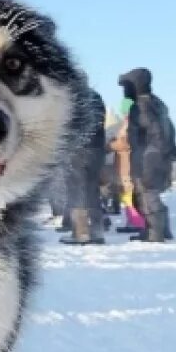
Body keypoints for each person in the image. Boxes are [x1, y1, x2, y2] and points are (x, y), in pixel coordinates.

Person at [118, 67, 174, 243]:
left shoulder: (141, 106)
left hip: (148, 157)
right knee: (149, 193)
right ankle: (161, 229)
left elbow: (154, 131)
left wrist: (152, 155)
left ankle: (154, 233)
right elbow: (169, 129)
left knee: (147, 193)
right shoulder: (157, 103)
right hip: (156, 155)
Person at [61, 86, 107, 244]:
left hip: (77, 150)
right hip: (97, 150)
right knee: (92, 190)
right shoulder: (96, 97)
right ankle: (97, 230)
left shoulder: (72, 96)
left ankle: (80, 232)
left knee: (76, 190)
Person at [109, 97, 145, 234]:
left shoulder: (130, 124)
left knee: (128, 194)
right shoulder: (133, 122)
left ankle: (136, 222)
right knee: (126, 193)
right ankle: (133, 220)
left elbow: (125, 143)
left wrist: (110, 145)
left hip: (127, 163)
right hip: (126, 162)